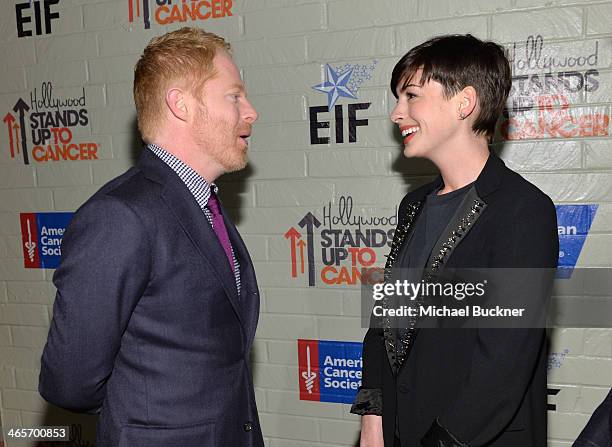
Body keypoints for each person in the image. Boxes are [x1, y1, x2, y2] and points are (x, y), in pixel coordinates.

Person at [38, 27, 263, 447]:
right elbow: (69, 381)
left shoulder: (204, 206)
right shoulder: (120, 216)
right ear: (181, 104)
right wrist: (144, 417)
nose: (250, 112)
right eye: (234, 96)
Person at [351, 34, 558, 447]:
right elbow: (384, 323)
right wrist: (373, 418)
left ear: (464, 103)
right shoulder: (414, 205)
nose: (396, 113)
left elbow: (504, 362)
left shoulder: (522, 210)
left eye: (411, 96)